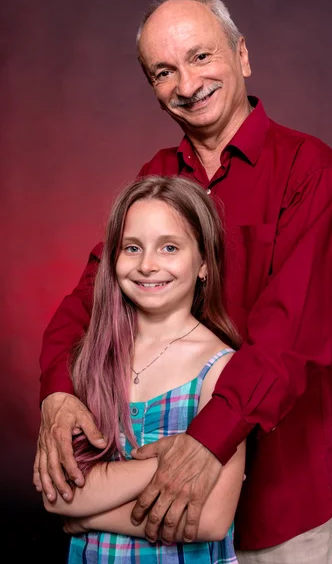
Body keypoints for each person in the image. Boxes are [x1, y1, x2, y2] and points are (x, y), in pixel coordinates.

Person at [34, 0, 332, 563]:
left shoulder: (310, 168)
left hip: (279, 503)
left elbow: (292, 335)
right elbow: (92, 296)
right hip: (152, 497)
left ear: (242, 55)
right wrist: (57, 390)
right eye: (164, 70)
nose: (187, 83)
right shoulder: (156, 177)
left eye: (201, 57)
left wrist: (208, 439)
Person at [42, 175, 246, 563]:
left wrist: (89, 517)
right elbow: (60, 494)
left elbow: (211, 520)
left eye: (169, 247)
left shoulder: (221, 368)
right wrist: (165, 465)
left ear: (204, 263)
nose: (148, 265)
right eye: (132, 248)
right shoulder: (92, 357)